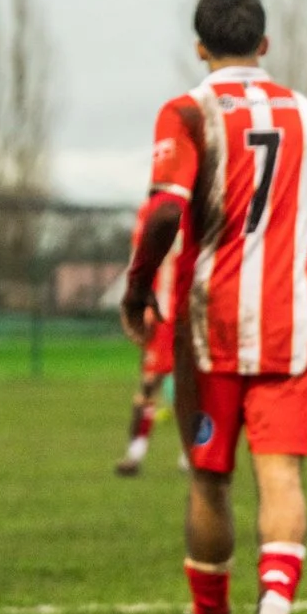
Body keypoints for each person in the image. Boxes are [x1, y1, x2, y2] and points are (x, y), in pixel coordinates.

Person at [121, 0, 307, 614]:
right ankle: (274, 612)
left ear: (200, 47)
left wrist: (137, 288)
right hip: (291, 324)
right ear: (264, 45)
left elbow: (162, 212)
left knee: (210, 477)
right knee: (281, 475)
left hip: (208, 324)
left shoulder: (187, 111)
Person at [114, 191, 181, 476]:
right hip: (162, 313)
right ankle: (135, 453)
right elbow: (139, 260)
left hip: (195, 311)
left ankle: (195, 455)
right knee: (150, 384)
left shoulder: (204, 204)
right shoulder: (151, 212)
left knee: (199, 388)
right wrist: (144, 302)